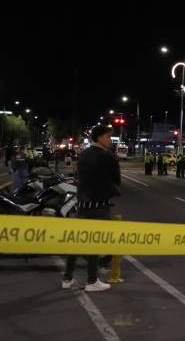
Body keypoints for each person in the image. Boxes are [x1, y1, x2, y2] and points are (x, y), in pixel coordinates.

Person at [62, 125, 121, 292]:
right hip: (99, 204)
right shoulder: (107, 156)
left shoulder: (83, 154)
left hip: (82, 203)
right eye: (108, 136)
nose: (110, 140)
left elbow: (78, 176)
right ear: (100, 137)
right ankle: (92, 280)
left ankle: (67, 278)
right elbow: (116, 180)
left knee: (77, 241)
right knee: (95, 241)